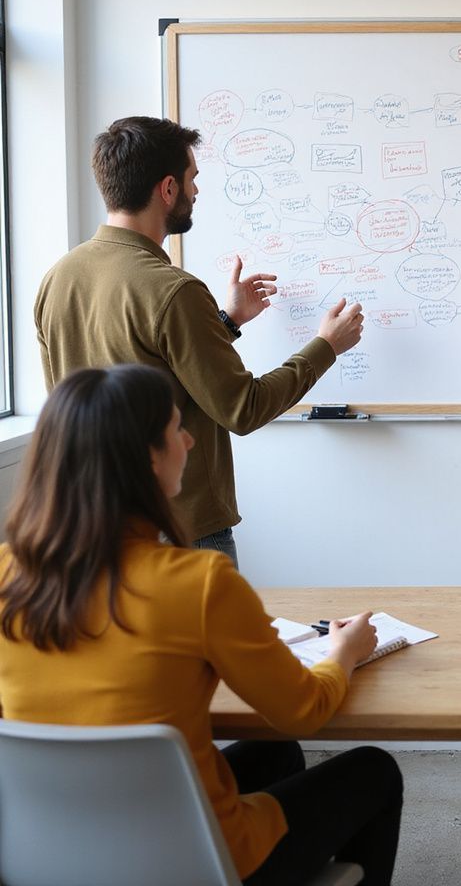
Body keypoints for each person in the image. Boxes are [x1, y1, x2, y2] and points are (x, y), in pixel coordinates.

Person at [0, 365, 402, 886]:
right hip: (194, 864)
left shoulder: (8, 570)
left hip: (52, 855)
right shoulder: (200, 582)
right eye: (175, 428)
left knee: (274, 752)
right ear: (147, 457)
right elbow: (303, 710)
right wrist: (342, 652)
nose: (189, 439)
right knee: (374, 771)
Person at [35, 116, 365, 566]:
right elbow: (243, 409)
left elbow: (135, 365)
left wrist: (225, 322)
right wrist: (326, 346)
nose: (196, 192)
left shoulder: (58, 279)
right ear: (167, 189)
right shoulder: (173, 290)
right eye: (192, 180)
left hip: (95, 527)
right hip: (180, 532)